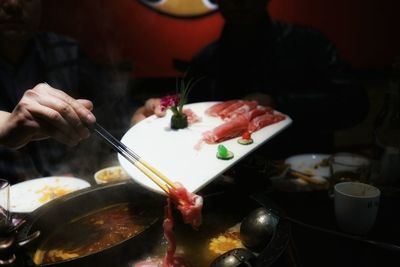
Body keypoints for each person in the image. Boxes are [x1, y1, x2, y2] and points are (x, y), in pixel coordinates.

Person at [134, 0, 370, 158]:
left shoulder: (308, 43)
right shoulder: (208, 57)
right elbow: (191, 101)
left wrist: (278, 103)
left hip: (300, 176)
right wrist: (160, 106)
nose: (240, 1)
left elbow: (354, 102)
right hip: (227, 182)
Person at [0, 0, 134, 184]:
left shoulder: (66, 51)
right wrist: (6, 124)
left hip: (68, 187)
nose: (13, 4)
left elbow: (111, 111)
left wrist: (138, 116)